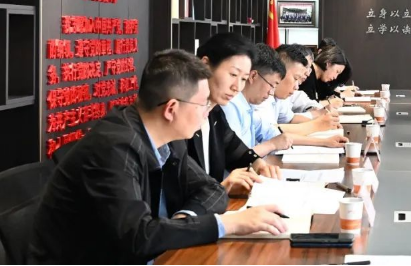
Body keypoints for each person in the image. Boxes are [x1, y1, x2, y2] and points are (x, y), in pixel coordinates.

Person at [29, 50, 287, 264]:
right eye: (203, 104)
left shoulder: (168, 139)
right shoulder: (114, 148)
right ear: (171, 109)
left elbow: (212, 189)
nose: (206, 113)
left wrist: (183, 223)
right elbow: (138, 237)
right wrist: (228, 224)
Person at [188, 33, 280, 197]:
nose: (237, 87)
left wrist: (258, 164)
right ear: (205, 65)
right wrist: (223, 188)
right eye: (233, 75)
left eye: (243, 79)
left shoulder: (215, 112)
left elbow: (233, 146)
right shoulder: (182, 119)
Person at [223, 44, 347, 156]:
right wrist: (316, 126)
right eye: (272, 84)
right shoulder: (233, 105)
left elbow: (277, 135)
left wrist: (325, 141)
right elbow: (239, 157)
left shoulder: (249, 105)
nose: (271, 92)